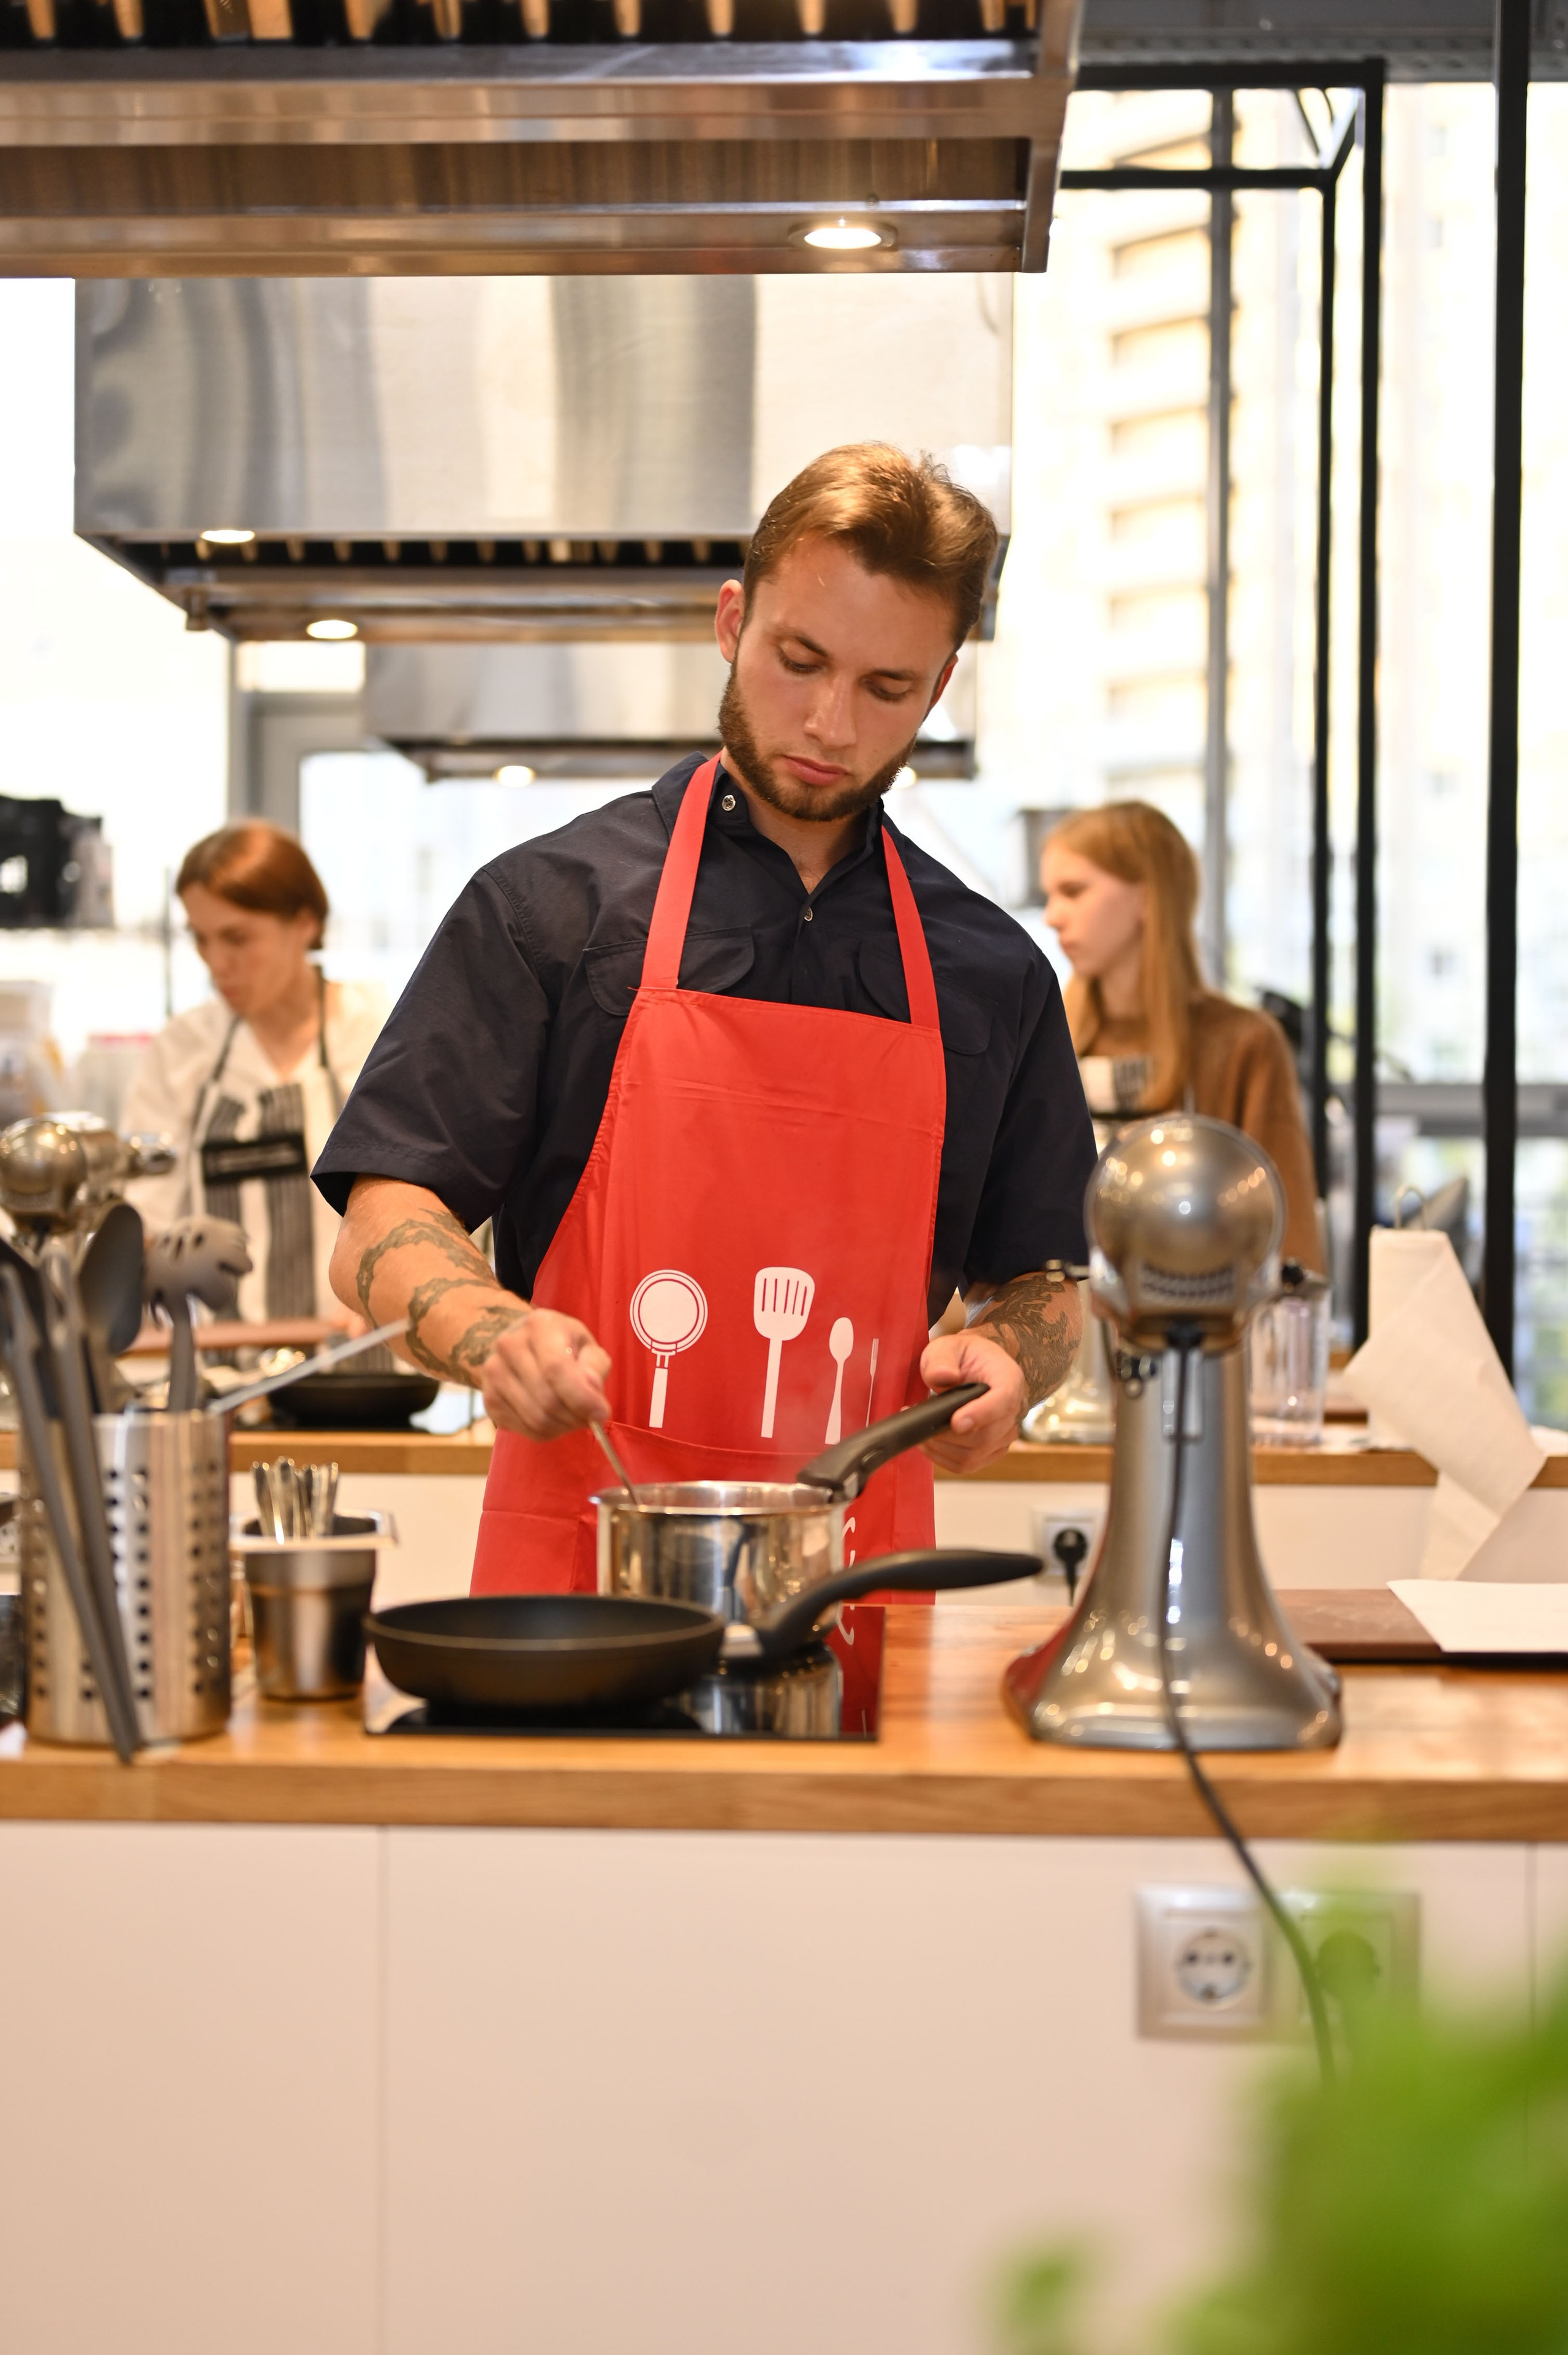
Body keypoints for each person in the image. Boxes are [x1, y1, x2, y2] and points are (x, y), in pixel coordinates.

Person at [315, 443, 1098, 1593]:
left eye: (886, 688)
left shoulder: (990, 969)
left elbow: (1044, 1279)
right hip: (581, 1568)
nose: (830, 721)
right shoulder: (548, 907)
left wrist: (1016, 1362)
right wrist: (490, 1330)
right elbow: (383, 1217)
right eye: (800, 659)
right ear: (733, 621)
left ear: (937, 690)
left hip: (859, 1578)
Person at [123, 823, 388, 1326]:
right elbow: (149, 1224)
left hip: (371, 1365)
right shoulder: (183, 1050)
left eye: (237, 938)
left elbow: (447, 1208)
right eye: (201, 939)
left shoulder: (381, 1032)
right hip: (230, 1373)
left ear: (305, 923)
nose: (217, 963)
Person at [1041, 799, 1321, 1269]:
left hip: (1203, 1331)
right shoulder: (1049, 1042)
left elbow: (1288, 1241)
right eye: (1050, 894)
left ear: (1147, 899)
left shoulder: (1242, 1044)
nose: (1052, 916)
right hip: (1065, 1330)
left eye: (1073, 891)